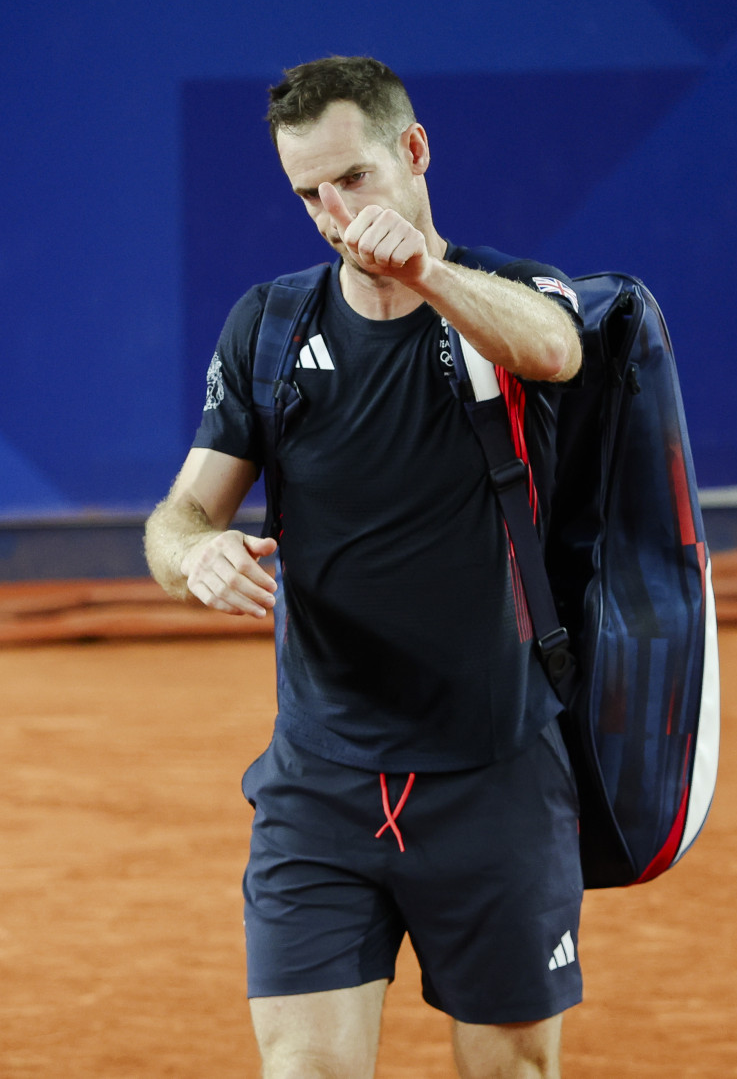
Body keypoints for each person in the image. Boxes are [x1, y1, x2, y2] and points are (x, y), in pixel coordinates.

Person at [145, 55, 584, 1079]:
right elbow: (178, 514)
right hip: (321, 783)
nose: (334, 212)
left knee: (511, 1070)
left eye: (352, 179)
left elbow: (554, 351)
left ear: (413, 151)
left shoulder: (511, 298)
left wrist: (425, 271)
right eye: (308, 193)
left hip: (494, 775)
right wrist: (194, 554)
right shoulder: (270, 327)